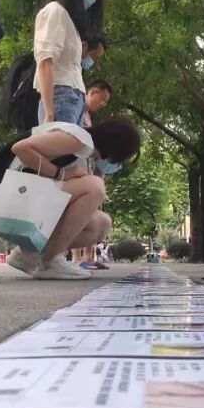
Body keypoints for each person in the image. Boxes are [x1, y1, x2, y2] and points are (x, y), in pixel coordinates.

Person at [7, 117, 140, 279]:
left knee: (101, 224)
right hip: (13, 199)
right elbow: (20, 148)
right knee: (95, 187)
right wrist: (61, 174)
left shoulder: (87, 156)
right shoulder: (78, 138)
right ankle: (50, 261)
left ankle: (29, 254)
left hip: (29, 204)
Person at [34, 0, 108, 127]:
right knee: (57, 142)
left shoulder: (70, 22)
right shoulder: (55, 11)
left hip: (74, 97)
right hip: (61, 95)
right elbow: (45, 62)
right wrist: (49, 113)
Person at [73, 79, 114, 270]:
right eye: (102, 99)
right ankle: (76, 258)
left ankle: (89, 257)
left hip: (89, 165)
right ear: (93, 92)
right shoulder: (76, 109)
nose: (103, 104)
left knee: (92, 208)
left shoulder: (88, 115)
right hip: (77, 165)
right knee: (79, 209)